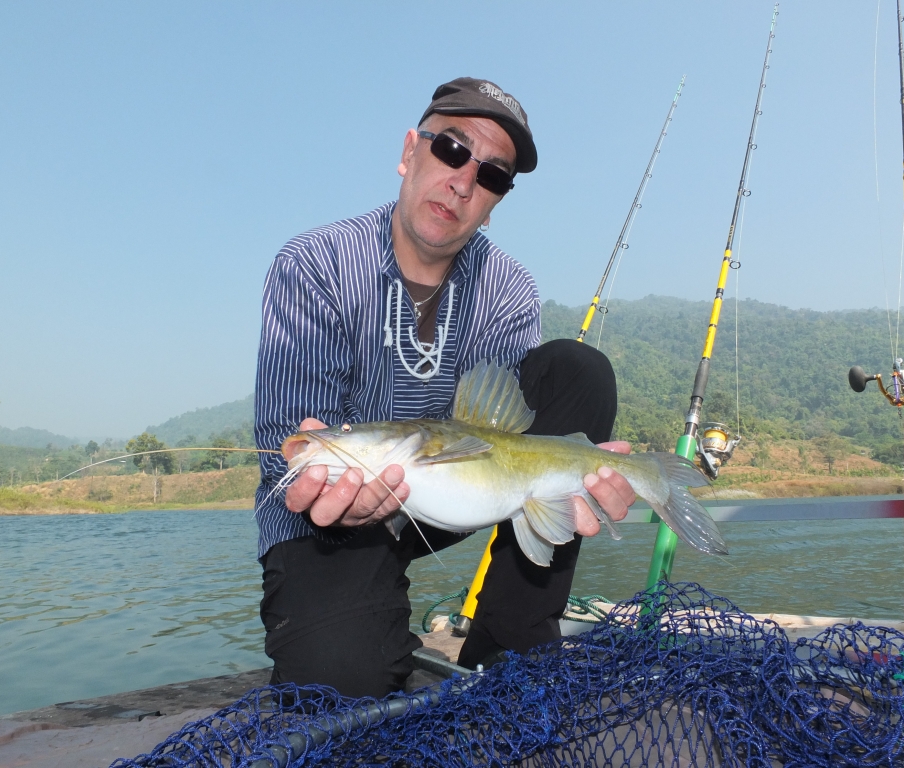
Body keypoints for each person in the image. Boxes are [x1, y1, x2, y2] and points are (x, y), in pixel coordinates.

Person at [253, 77, 637, 698]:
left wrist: (570, 477)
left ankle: (512, 637)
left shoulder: (510, 288)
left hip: (453, 496)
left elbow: (502, 430)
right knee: (341, 683)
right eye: (452, 149)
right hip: (328, 520)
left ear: (496, 201)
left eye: (493, 176)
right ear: (410, 152)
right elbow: (286, 453)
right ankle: (362, 616)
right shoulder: (315, 264)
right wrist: (320, 481)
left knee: (578, 369)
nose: (464, 181)